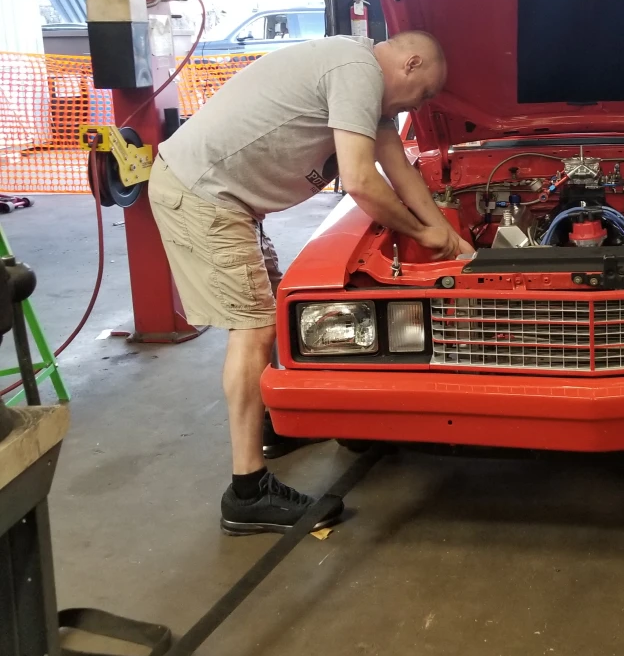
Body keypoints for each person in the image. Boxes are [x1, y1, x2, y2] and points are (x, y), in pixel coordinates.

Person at [149, 31, 472, 534]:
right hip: (203, 195)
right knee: (253, 328)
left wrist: (447, 237)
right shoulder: (355, 69)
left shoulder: (367, 88)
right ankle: (247, 492)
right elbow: (362, 181)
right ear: (410, 64)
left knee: (271, 310)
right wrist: (419, 231)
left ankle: (274, 425)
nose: (423, 105)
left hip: (231, 201)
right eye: (426, 93)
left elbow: (401, 171)